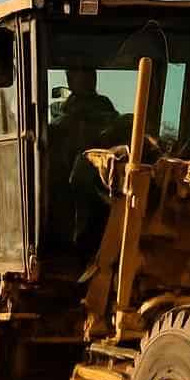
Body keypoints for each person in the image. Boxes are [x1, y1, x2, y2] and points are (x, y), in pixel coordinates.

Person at [46, 67, 122, 254]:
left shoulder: (104, 111)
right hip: (64, 180)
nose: (85, 79)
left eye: (87, 73)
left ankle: (82, 239)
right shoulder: (64, 113)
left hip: (99, 178)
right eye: (77, 73)